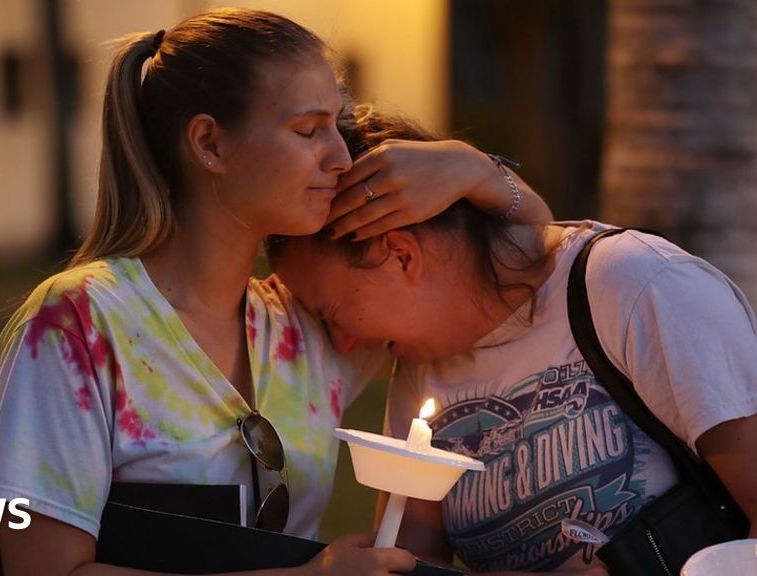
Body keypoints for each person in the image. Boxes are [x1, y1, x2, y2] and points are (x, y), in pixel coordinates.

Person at [0, 9, 551, 575]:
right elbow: (45, 570)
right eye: (308, 131)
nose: (340, 157)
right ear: (209, 144)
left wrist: (472, 170)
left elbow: (530, 248)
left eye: (337, 124)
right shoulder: (80, 323)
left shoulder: (305, 329)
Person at [267, 107, 757, 574]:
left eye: (332, 313)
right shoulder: (424, 365)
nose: (346, 344)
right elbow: (414, 554)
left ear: (399, 254)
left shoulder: (636, 286)